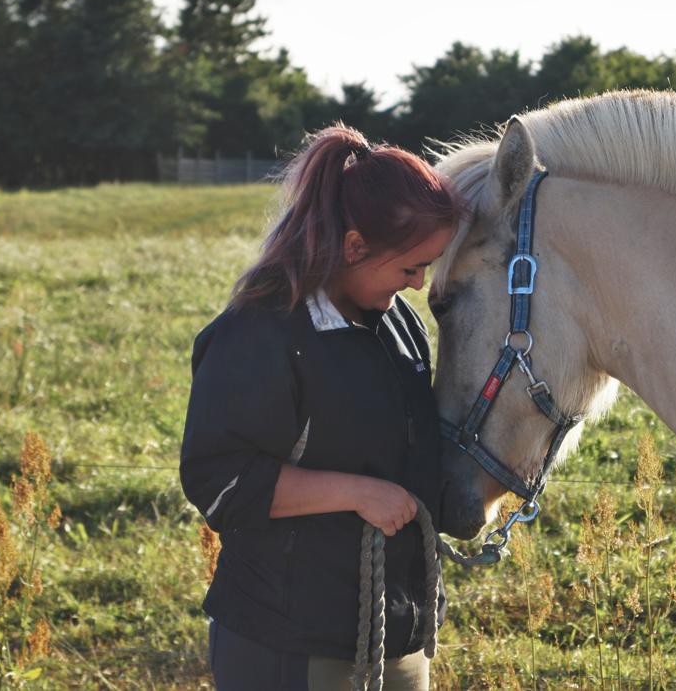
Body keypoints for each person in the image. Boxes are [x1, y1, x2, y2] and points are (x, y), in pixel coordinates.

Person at [179, 125, 466, 691]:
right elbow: (217, 480)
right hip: (290, 647)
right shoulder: (259, 334)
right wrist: (358, 493)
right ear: (355, 246)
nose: (418, 285)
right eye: (410, 268)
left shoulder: (398, 325)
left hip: (394, 633)